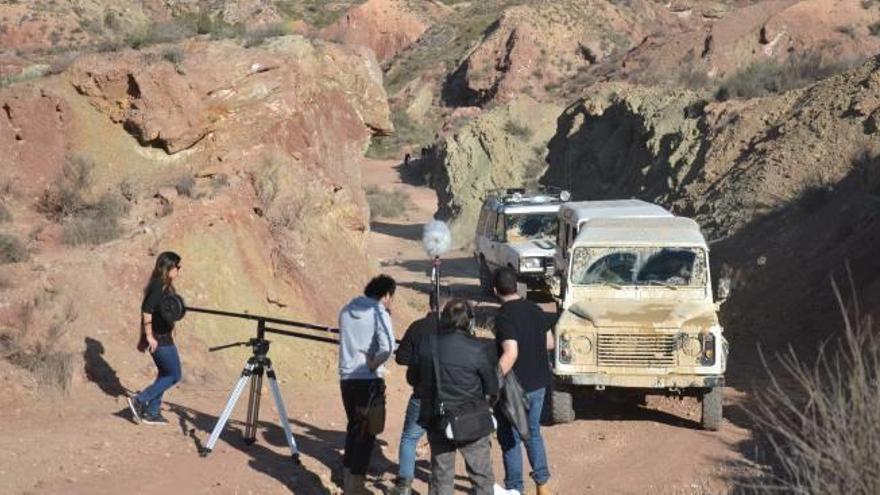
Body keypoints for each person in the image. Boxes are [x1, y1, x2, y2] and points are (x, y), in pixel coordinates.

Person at [413, 299, 499, 495]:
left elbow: (413, 379)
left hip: (438, 419)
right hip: (473, 420)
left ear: (443, 321)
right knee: (482, 478)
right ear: (469, 322)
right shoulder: (479, 348)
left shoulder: (428, 346)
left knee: (441, 477)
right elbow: (492, 388)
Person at [493, 267, 555, 495]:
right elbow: (550, 343)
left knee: (510, 437)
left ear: (495, 289)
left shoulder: (504, 316)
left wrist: (493, 380)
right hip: (539, 383)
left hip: (515, 389)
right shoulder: (536, 310)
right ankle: (543, 485)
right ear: (517, 286)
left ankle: (515, 488)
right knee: (533, 432)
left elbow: (511, 353)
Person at [338, 275, 397, 494]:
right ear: (387, 295)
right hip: (368, 380)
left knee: (353, 427)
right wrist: (373, 364)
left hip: (346, 378)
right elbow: (388, 347)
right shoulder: (378, 312)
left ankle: (347, 478)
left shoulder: (346, 310)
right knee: (366, 433)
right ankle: (355, 487)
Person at [127, 251, 183, 426]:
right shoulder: (159, 286)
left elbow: (165, 310)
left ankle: (152, 412)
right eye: (177, 267)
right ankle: (140, 399)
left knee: (165, 374)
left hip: (164, 335)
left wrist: (172, 326)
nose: (179, 270)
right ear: (168, 267)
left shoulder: (166, 285)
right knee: (174, 375)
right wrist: (149, 336)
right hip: (159, 338)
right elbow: (147, 310)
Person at [390, 311, 437, 495]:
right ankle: (437, 486)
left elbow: (401, 357)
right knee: (439, 441)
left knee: (409, 438)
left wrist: (418, 360)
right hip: (447, 396)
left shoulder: (418, 326)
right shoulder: (454, 328)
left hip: (421, 392)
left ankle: (404, 485)